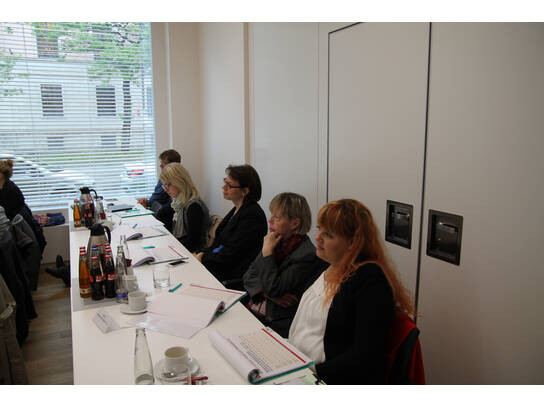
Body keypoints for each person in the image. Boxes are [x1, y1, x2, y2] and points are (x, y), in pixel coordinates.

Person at [288, 199, 415, 384]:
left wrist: (308, 374)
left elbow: (364, 356)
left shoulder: (370, 280)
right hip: (298, 367)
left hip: (327, 378)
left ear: (353, 243)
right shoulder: (327, 266)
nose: (317, 237)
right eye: (319, 228)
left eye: (328, 234)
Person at [243, 192, 321, 337]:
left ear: (295, 224)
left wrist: (267, 252)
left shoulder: (305, 254)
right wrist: (269, 295)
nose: (270, 220)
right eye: (271, 215)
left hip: (275, 320)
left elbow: (274, 288)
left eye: (277, 217)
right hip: (256, 308)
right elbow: (248, 276)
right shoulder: (276, 240)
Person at [195, 164, 267, 287]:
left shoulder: (252, 216)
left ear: (245, 191)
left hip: (231, 276)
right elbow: (218, 243)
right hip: (218, 265)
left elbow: (231, 256)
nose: (223, 187)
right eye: (225, 182)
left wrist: (202, 257)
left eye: (229, 185)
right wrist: (199, 254)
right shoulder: (237, 208)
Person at [159, 163, 211, 253]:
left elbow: (193, 242)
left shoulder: (194, 207)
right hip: (180, 250)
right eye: (163, 186)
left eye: (167, 185)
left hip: (192, 254)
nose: (165, 190)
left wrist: (168, 247)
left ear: (178, 182)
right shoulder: (178, 203)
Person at [0, 159, 46, 252]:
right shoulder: (8, 186)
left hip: (20, 240)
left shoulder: (7, 192)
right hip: (23, 235)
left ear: (0, 175)